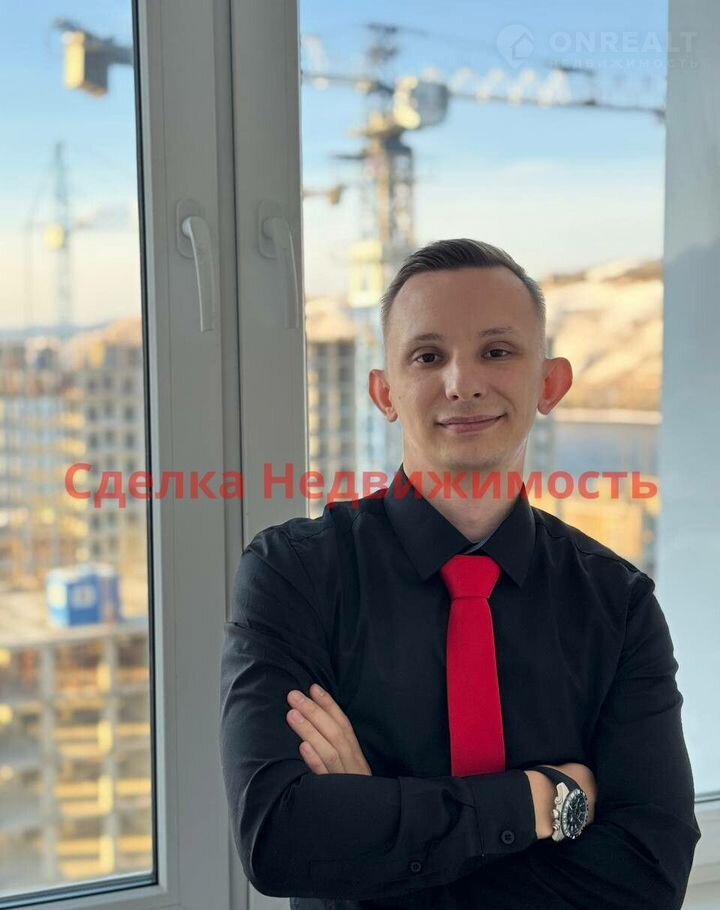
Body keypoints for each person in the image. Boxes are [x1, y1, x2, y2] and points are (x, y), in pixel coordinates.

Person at [219, 239, 701, 910]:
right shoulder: (295, 574)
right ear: (385, 393)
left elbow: (648, 878)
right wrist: (540, 800)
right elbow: (281, 841)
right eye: (427, 356)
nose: (462, 383)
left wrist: (377, 830)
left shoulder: (618, 603)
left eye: (496, 352)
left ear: (550, 384)